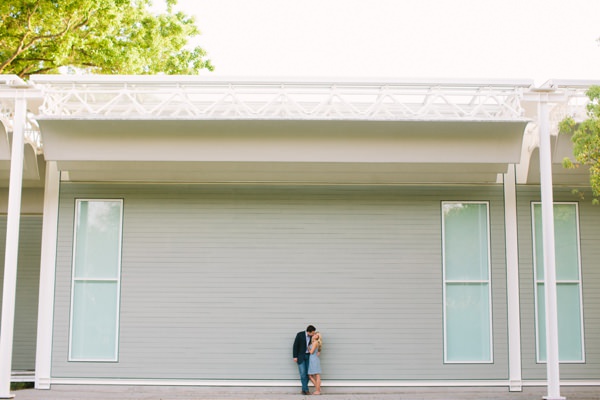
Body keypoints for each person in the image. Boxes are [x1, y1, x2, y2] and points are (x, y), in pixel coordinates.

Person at [293, 325, 316, 395]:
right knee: (303, 373)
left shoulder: (313, 337)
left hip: (309, 356)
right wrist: (295, 356)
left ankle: (304, 389)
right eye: (312, 333)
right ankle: (306, 390)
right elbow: (295, 346)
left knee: (308, 374)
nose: (313, 334)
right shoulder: (300, 335)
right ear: (308, 332)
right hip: (300, 356)